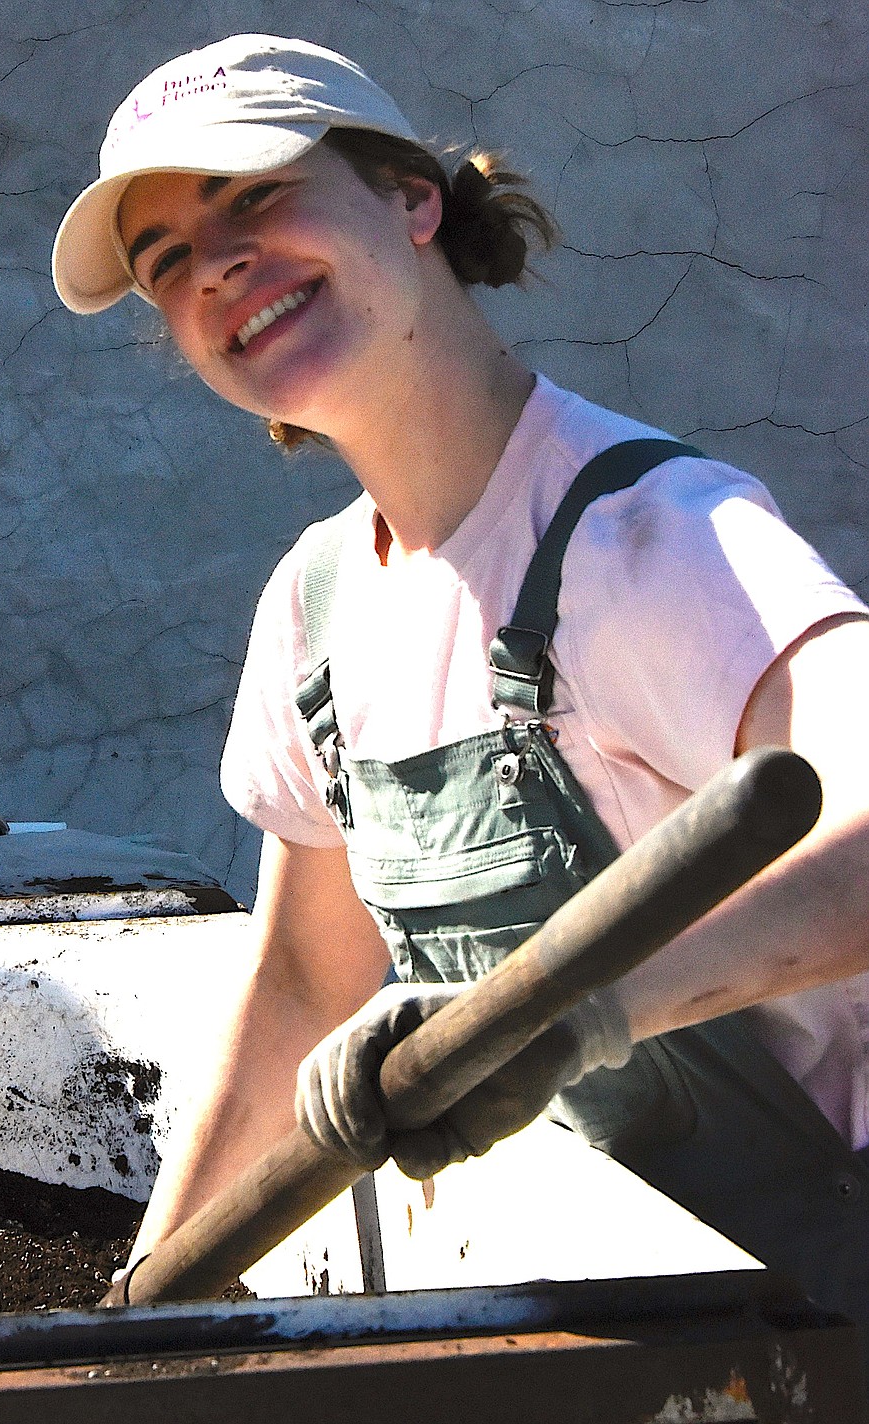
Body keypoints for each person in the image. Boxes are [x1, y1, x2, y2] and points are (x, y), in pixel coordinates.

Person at [52, 34, 869, 1324]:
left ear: (411, 199)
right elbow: (306, 983)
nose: (212, 266)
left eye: (253, 194)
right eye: (165, 264)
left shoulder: (651, 538)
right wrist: (136, 1315)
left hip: (807, 1316)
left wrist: (595, 1010)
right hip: (570, 1314)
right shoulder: (316, 615)